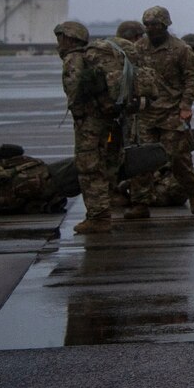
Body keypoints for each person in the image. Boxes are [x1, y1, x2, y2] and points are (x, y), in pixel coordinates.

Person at [54, 20, 128, 235]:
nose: (59, 43)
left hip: (89, 124)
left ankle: (98, 217)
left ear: (69, 38)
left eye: (60, 38)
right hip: (109, 121)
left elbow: (74, 91)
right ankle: (105, 207)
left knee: (88, 168)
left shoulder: (74, 60)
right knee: (106, 163)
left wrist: (81, 112)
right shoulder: (95, 57)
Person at [128, 6, 194, 218]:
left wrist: (186, 105)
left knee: (178, 158)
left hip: (172, 112)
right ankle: (140, 203)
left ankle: (193, 192)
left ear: (165, 25)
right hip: (146, 113)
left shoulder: (181, 50)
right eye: (148, 25)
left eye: (155, 25)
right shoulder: (138, 48)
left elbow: (192, 79)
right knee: (141, 159)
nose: (151, 29)